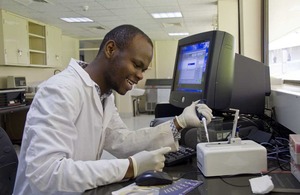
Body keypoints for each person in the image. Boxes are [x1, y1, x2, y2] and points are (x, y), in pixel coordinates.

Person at [13, 24, 213, 194]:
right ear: (110, 49)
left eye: (143, 70)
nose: (140, 75)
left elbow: (123, 142)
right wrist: (130, 167)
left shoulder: (103, 95)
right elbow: (45, 173)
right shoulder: (60, 90)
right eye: (137, 65)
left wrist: (180, 122)